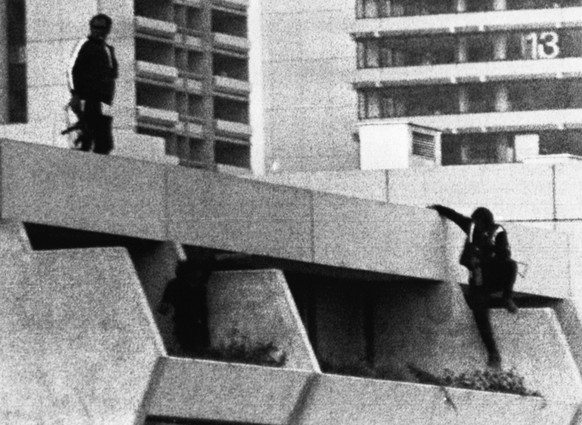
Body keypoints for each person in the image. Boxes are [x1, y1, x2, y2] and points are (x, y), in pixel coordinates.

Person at [429, 204, 518, 368]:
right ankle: (493, 353)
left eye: (479, 223)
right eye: (474, 223)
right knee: (479, 311)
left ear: (486, 223)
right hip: (479, 279)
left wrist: (485, 256)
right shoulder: (471, 226)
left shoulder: (497, 232)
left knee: (511, 265)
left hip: (493, 272)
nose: (476, 226)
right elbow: (455, 216)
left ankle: (507, 298)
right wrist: (438, 208)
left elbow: (504, 255)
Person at [67, 13, 118, 154]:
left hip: (103, 102)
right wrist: (75, 94)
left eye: (102, 28)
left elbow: (112, 76)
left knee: (104, 142)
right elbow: (71, 69)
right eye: (95, 27)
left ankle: (99, 170)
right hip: (87, 99)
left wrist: (109, 99)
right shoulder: (84, 45)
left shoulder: (108, 50)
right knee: (87, 136)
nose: (98, 31)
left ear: (107, 30)